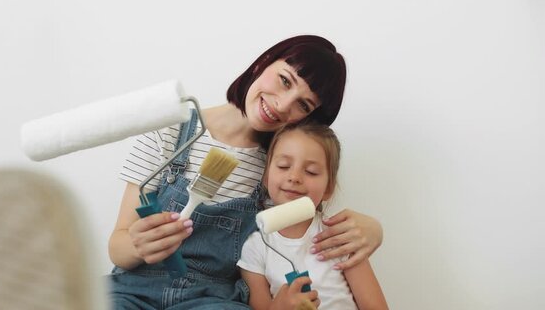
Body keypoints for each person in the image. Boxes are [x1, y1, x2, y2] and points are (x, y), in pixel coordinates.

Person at [108, 35, 384, 309]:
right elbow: (117, 247)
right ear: (263, 63)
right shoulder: (170, 128)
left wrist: (374, 230)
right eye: (285, 80)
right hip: (132, 289)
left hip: (213, 300)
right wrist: (137, 244)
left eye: (304, 104)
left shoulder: (280, 167)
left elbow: (307, 221)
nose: (283, 104)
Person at [237, 122, 388, 310]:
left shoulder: (342, 237)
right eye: (284, 166)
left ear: (328, 188)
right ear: (266, 177)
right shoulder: (255, 247)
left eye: (311, 171)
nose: (294, 177)